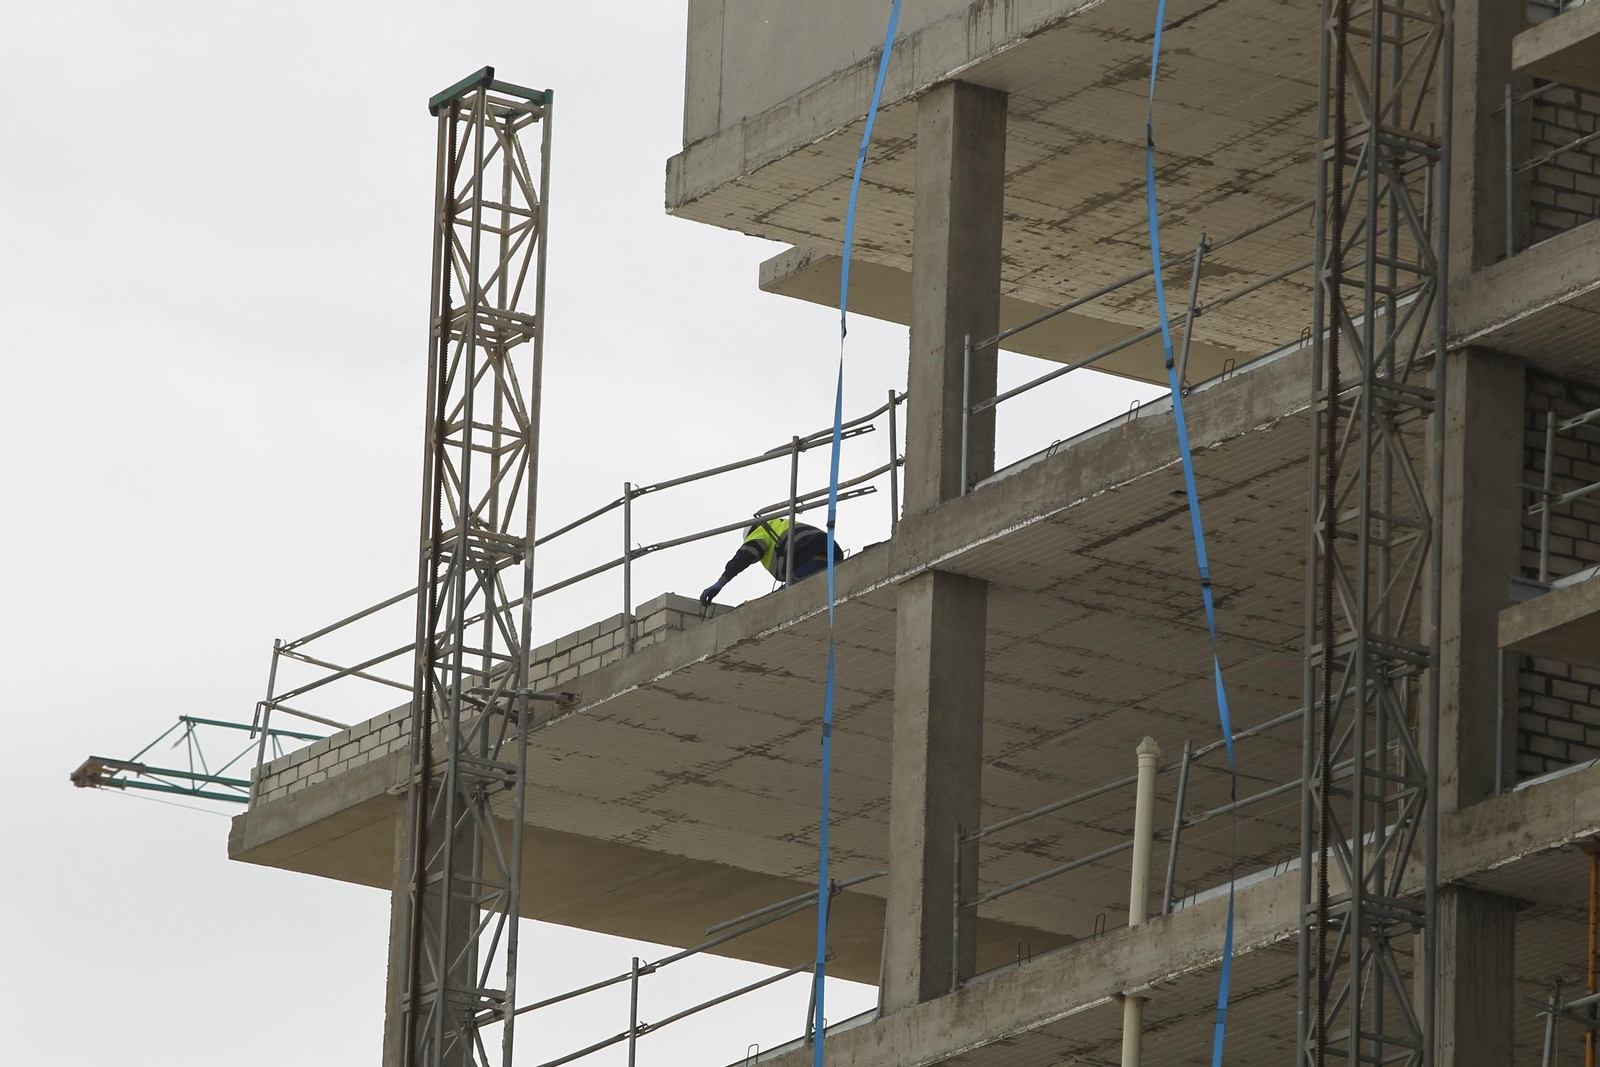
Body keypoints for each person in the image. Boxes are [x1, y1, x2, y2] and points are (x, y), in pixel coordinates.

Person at [700, 517, 844, 606]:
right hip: (833, 557)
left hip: (808, 563)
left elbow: (744, 556)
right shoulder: (781, 524)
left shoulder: (760, 531)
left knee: (780, 600)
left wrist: (721, 582)